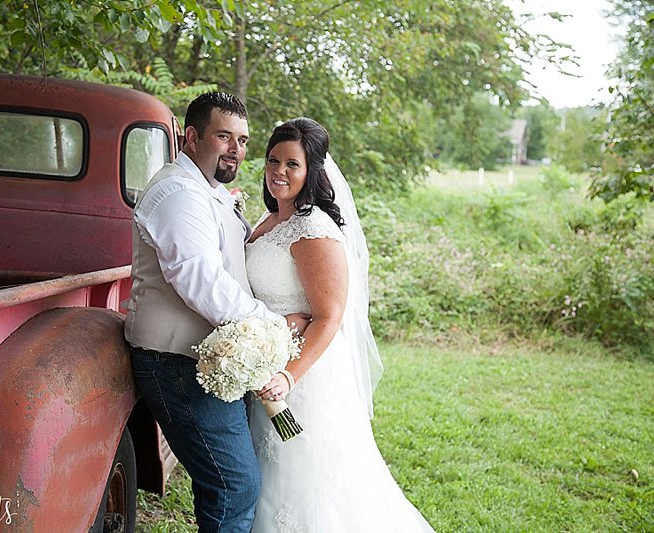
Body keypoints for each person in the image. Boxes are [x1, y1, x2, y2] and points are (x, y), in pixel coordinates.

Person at [124, 92, 308, 533]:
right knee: (235, 485)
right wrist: (271, 326)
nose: (236, 150)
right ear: (192, 136)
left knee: (222, 482)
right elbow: (200, 280)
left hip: (211, 357)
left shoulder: (210, 191)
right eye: (224, 136)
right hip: (177, 363)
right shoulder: (176, 193)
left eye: (243, 140)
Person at [246, 118, 436, 532]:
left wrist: (288, 377)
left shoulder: (313, 230)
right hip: (265, 362)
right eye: (273, 160)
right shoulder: (268, 221)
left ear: (311, 171)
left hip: (302, 377)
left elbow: (330, 315)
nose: (278, 171)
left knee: (309, 487)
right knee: (268, 483)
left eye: (292, 164)